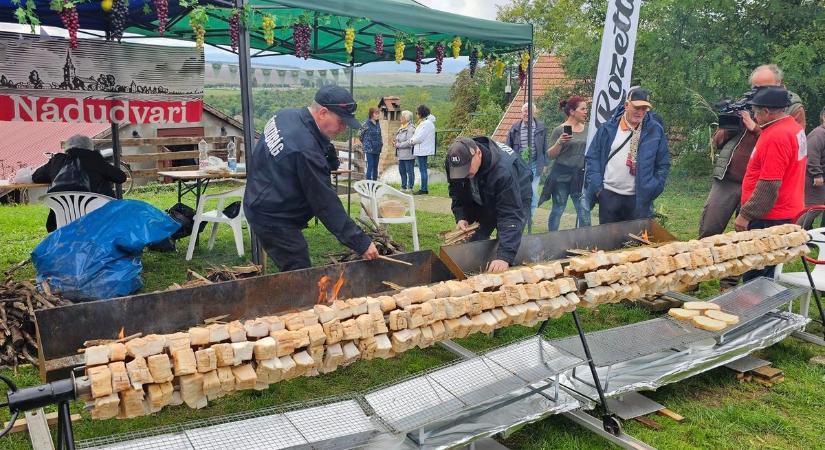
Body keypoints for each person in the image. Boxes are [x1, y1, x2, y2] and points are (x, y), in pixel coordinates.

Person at [243, 85, 379, 272]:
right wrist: (361, 242)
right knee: (299, 270)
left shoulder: (286, 116)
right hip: (271, 214)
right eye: (341, 121)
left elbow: (315, 140)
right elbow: (325, 204)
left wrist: (328, 155)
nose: (343, 127)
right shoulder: (304, 150)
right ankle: (295, 300)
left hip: (262, 194)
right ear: (323, 112)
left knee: (297, 267)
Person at [699, 64, 806, 239]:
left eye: (763, 87)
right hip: (731, 176)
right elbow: (717, 141)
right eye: (755, 87)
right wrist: (730, 125)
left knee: (749, 236)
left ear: (779, 84)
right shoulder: (746, 101)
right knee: (710, 226)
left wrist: (755, 128)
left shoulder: (791, 107)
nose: (757, 92)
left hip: (762, 182)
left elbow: (790, 146)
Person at [734, 86, 807, 282]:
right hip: (785, 210)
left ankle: (756, 311)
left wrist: (745, 215)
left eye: (756, 112)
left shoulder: (777, 136)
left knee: (757, 272)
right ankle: (763, 308)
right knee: (768, 268)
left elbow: (768, 185)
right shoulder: (794, 128)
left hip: (768, 216)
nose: (754, 116)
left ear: (766, 112)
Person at [584, 87, 670, 224]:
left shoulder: (655, 130)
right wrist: (599, 190)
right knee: (608, 243)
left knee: (635, 242)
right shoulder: (607, 128)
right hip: (608, 196)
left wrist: (653, 188)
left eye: (644, 108)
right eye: (637, 107)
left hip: (639, 200)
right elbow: (592, 158)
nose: (640, 112)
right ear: (626, 105)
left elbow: (663, 164)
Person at [446, 137, 532, 273]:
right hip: (484, 193)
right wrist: (462, 216)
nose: (464, 174)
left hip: (517, 194)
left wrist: (504, 256)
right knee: (476, 236)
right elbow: (456, 190)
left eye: (467, 169)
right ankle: (475, 270)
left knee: (504, 244)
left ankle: (505, 268)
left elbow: (510, 214)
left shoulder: (503, 170)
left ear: (478, 154)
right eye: (460, 171)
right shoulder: (454, 161)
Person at [32, 134, 127, 232]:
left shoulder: (57, 160)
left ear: (67, 147)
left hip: (60, 223)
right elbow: (121, 177)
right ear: (89, 146)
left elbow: (36, 177)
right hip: (98, 219)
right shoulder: (95, 159)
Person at [541, 96, 590, 230]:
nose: (586, 111)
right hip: (561, 175)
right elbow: (550, 155)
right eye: (583, 109)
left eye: (586, 109)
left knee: (583, 211)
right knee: (558, 209)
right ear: (572, 112)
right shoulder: (559, 130)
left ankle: (587, 242)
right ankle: (552, 238)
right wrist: (559, 142)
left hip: (579, 175)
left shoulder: (588, 129)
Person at [506, 103, 547, 221]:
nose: (526, 113)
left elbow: (544, 146)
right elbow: (508, 147)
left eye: (529, 111)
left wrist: (545, 164)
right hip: (520, 166)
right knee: (520, 192)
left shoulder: (541, 127)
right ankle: (520, 215)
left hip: (535, 165)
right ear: (521, 113)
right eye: (524, 110)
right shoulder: (515, 128)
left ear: (534, 113)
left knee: (533, 192)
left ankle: (529, 218)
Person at [407, 105, 436, 195]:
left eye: (417, 113)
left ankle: (423, 189)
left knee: (423, 169)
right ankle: (423, 188)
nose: (416, 114)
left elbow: (420, 137)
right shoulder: (425, 122)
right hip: (422, 148)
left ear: (421, 113)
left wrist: (411, 141)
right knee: (422, 169)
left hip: (422, 149)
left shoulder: (426, 123)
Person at [804, 106, 825, 207]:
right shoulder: (818, 134)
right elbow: (812, 154)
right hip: (815, 180)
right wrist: (817, 174)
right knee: (812, 209)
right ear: (823, 118)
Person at [393, 110, 416, 192]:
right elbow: (397, 139)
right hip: (400, 154)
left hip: (408, 154)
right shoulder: (401, 127)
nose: (400, 118)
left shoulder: (411, 128)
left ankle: (410, 187)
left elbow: (410, 142)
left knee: (410, 172)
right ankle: (403, 186)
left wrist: (398, 145)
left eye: (402, 117)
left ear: (407, 118)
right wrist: (395, 142)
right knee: (402, 171)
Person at [360, 107, 383, 181]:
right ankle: (368, 182)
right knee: (370, 165)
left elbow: (379, 135)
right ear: (372, 114)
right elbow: (360, 134)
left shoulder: (378, 123)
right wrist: (366, 142)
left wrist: (381, 143)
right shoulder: (366, 123)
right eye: (376, 113)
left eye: (378, 113)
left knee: (376, 166)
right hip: (369, 148)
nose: (378, 115)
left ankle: (374, 183)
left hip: (377, 148)